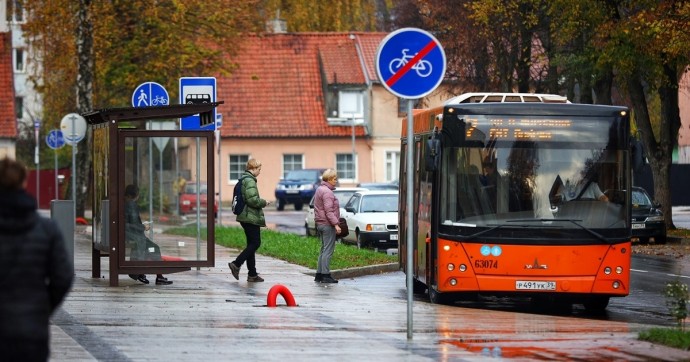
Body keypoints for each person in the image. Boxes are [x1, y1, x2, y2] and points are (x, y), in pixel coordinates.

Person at [0, 157, 74, 361]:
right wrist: (42, 307)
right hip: (31, 331)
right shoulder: (46, 229)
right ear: (24, 183)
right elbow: (64, 277)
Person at [228, 159, 271, 282]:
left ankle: (252, 274)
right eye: (259, 169)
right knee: (255, 243)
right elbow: (252, 200)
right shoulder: (250, 180)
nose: (259, 172)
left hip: (245, 216)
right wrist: (264, 202)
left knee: (251, 245)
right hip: (250, 216)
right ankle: (236, 264)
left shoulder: (244, 179)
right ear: (253, 168)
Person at [124, 184, 173, 285]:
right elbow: (132, 224)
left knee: (151, 248)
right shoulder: (131, 205)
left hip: (128, 235)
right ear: (137, 195)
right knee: (154, 249)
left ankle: (143, 273)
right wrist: (144, 227)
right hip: (132, 237)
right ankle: (149, 274)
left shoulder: (124, 204)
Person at [313, 169, 341, 284]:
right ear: (329, 179)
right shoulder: (328, 193)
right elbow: (329, 211)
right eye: (334, 179)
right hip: (327, 224)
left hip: (320, 223)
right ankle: (325, 275)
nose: (336, 181)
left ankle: (319, 274)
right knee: (328, 250)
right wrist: (336, 224)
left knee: (323, 249)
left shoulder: (320, 189)